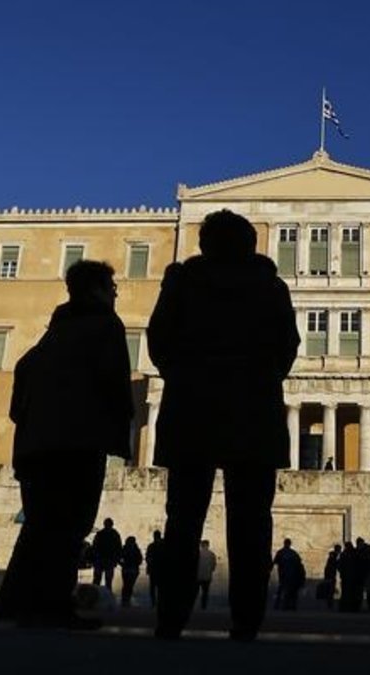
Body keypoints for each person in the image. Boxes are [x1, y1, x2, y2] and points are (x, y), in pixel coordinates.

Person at [147, 210, 300, 642]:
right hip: (253, 406)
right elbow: (287, 345)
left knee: (182, 519)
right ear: (251, 245)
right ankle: (246, 619)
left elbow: (158, 339)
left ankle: (170, 617)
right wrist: (261, 376)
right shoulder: (271, 287)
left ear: (205, 244)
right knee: (252, 520)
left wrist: (183, 374)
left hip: (191, 406)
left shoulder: (181, 282)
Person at [0, 260, 135, 630]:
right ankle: (53, 606)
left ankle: (11, 604)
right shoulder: (105, 325)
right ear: (97, 290)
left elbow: (20, 389)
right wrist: (121, 436)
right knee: (69, 527)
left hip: (35, 446)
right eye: (111, 287)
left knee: (39, 526)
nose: (115, 294)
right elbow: (115, 384)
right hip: (78, 443)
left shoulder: (53, 334)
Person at [91, 518, 122, 590]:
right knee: (108, 581)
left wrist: (94, 558)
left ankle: (95, 595)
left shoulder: (100, 534)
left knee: (97, 580)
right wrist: (117, 559)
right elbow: (119, 548)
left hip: (100, 559)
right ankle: (107, 596)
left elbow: (94, 546)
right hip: (109, 560)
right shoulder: (115, 534)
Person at [273, 539, 303, 611]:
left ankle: (278, 605)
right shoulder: (293, 553)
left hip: (283, 574)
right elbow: (299, 562)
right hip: (292, 575)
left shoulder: (280, 552)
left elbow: (275, 562)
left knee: (281, 589)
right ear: (290, 544)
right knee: (290, 590)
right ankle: (290, 605)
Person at [119, 535, 144, 608]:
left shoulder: (126, 548)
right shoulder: (135, 549)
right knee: (128, 584)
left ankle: (126, 599)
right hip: (131, 569)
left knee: (127, 584)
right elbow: (140, 559)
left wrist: (122, 564)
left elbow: (119, 557)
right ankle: (126, 599)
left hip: (129, 569)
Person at [196, 540, 217, 610]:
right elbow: (214, 566)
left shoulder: (198, 553)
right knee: (205, 592)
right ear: (208, 545)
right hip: (207, 576)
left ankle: (193, 605)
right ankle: (203, 606)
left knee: (195, 591)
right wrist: (210, 570)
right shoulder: (212, 554)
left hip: (197, 576)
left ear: (201, 545)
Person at [145, 530, 163, 607]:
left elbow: (147, 557)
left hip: (153, 569)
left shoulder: (151, 546)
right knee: (159, 587)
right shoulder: (163, 546)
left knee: (153, 587)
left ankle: (154, 603)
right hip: (160, 570)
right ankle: (157, 603)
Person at [321, 544, 341, 610]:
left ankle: (329, 603)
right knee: (330, 590)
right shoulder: (334, 557)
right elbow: (334, 566)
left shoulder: (332, 557)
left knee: (330, 590)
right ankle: (330, 603)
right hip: (331, 576)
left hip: (329, 575)